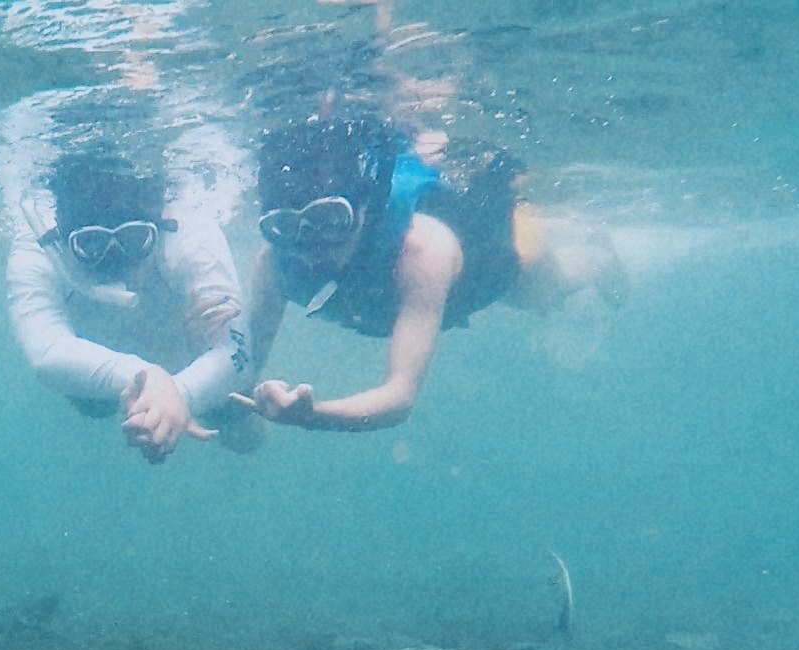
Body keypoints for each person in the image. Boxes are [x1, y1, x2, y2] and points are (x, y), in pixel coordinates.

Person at [231, 117, 625, 431]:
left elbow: (400, 395)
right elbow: (244, 367)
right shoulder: (275, 264)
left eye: (332, 219)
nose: (311, 244)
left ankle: (598, 258)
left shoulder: (422, 251)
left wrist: (315, 416)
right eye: (285, 226)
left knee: (540, 293)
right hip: (395, 293)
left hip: (482, 266)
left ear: (367, 207)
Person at [8, 151, 261, 462]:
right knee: (93, 407)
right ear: (62, 236)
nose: (117, 261)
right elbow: (45, 353)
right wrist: (148, 379)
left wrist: (176, 395)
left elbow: (238, 348)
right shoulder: (40, 246)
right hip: (98, 381)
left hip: (181, 356)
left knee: (246, 437)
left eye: (135, 238)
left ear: (161, 223)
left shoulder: (189, 232)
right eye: (91, 243)